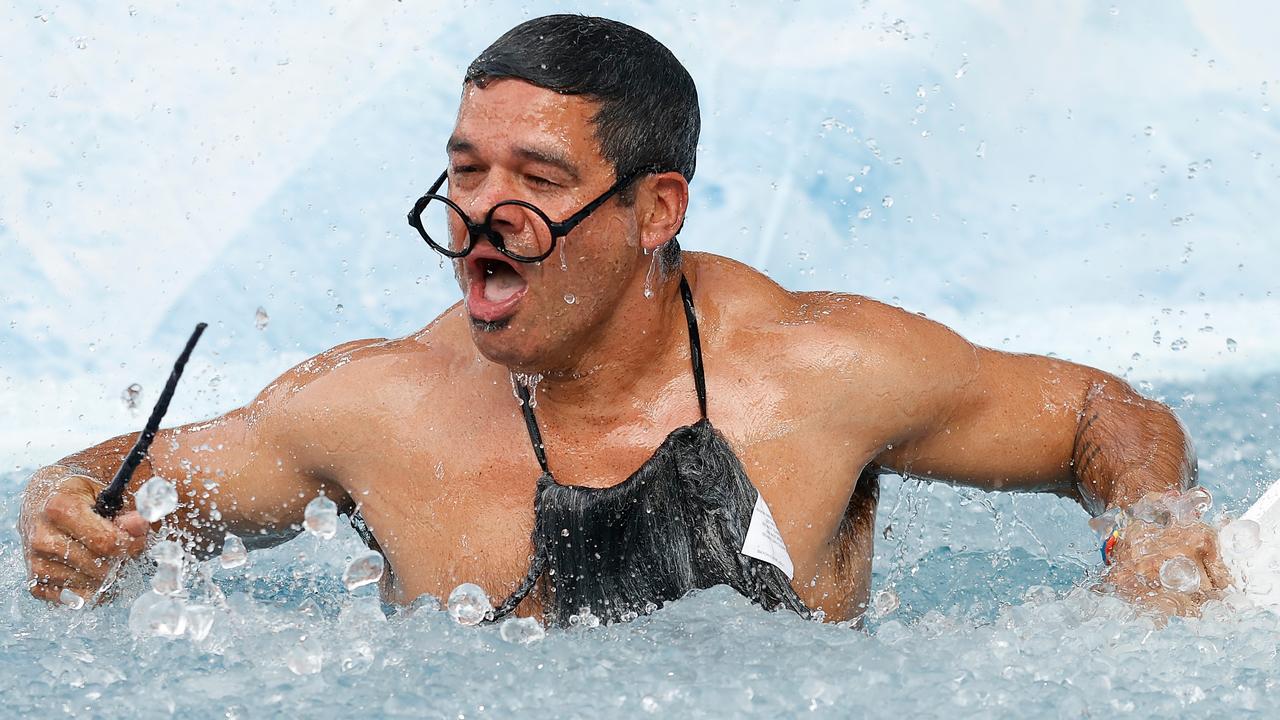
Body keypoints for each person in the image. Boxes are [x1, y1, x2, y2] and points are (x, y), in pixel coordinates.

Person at [18, 14, 1228, 624]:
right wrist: (69, 505)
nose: (484, 213)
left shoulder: (818, 372)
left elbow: (1095, 411)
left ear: (656, 209)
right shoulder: (374, 406)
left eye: (536, 183)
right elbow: (141, 483)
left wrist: (1154, 532)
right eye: (466, 172)